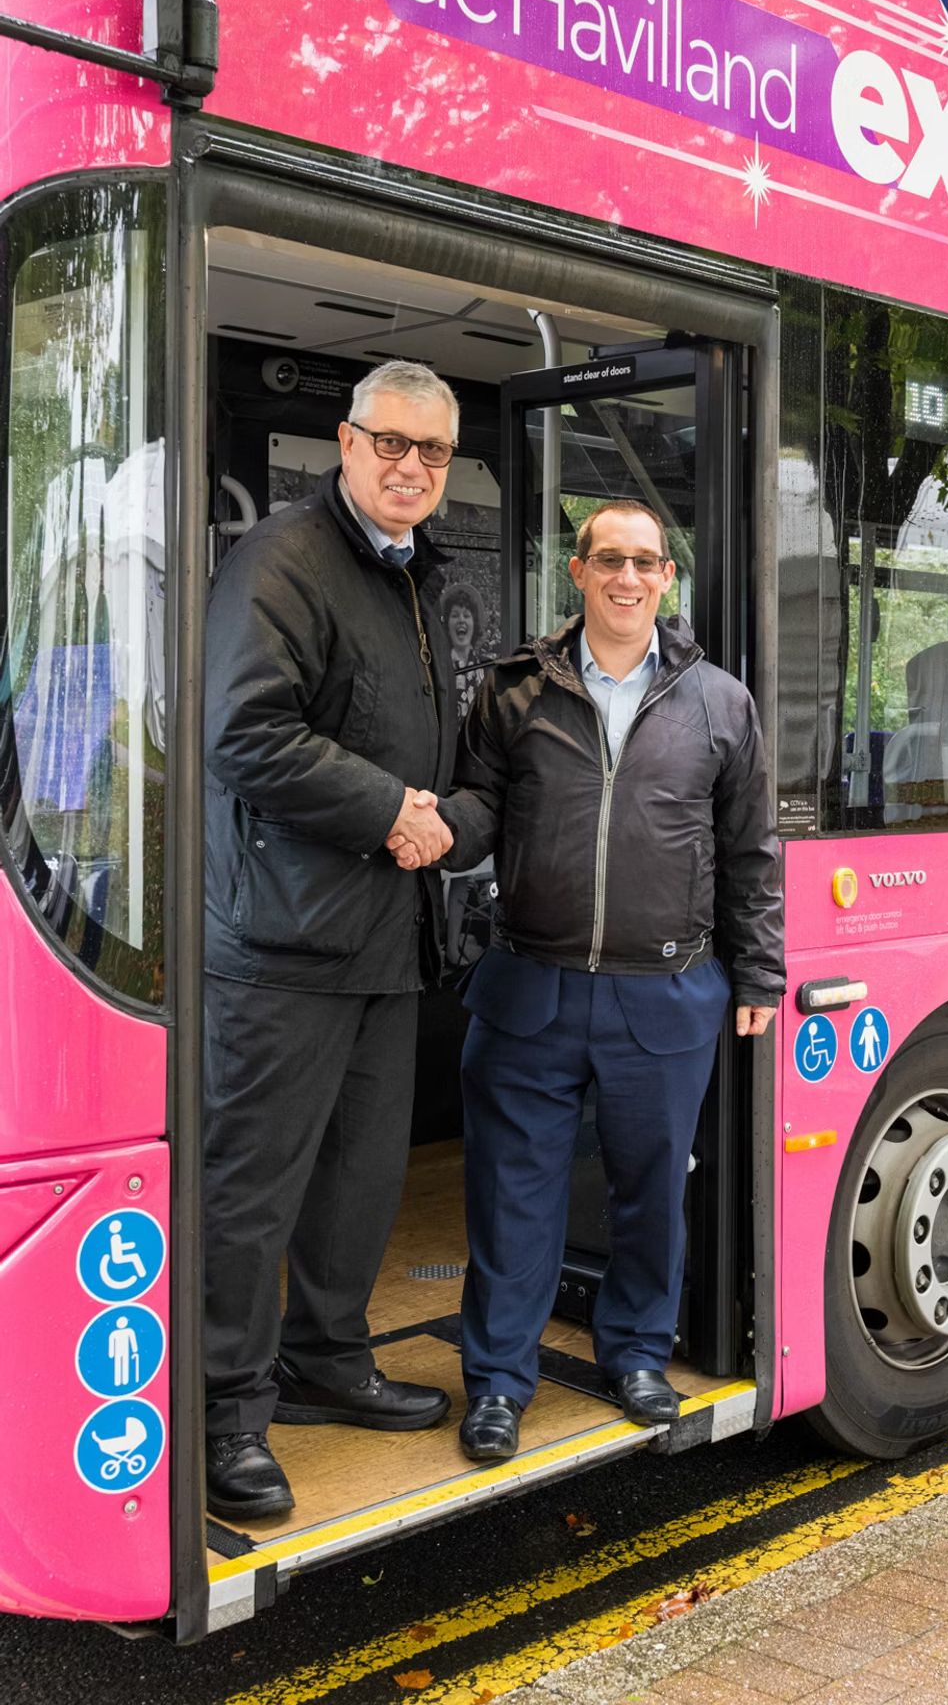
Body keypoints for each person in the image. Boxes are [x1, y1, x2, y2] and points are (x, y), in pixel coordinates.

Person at [443, 500, 785, 1462]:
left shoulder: (720, 702)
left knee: (648, 1190)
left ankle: (636, 1354)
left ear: (665, 579)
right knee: (514, 1194)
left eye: (644, 562)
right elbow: (476, 809)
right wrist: (422, 825)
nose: (626, 578)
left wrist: (758, 972)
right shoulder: (513, 691)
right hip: (529, 988)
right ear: (577, 572)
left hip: (665, 993)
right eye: (608, 560)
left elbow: (750, 854)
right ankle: (499, 1384)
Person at [201, 360, 465, 1520]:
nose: (410, 464)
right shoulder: (287, 557)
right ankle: (221, 1410)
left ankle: (324, 1361)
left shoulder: (412, 575)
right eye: (390, 442)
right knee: (249, 1189)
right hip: (280, 944)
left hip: (383, 936)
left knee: (359, 1177)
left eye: (433, 452)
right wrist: (391, 810)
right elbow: (245, 733)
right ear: (346, 443)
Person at [443, 583, 486, 717]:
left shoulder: (488, 669)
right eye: (455, 615)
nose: (461, 620)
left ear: (475, 624)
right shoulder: (439, 668)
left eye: (466, 615)